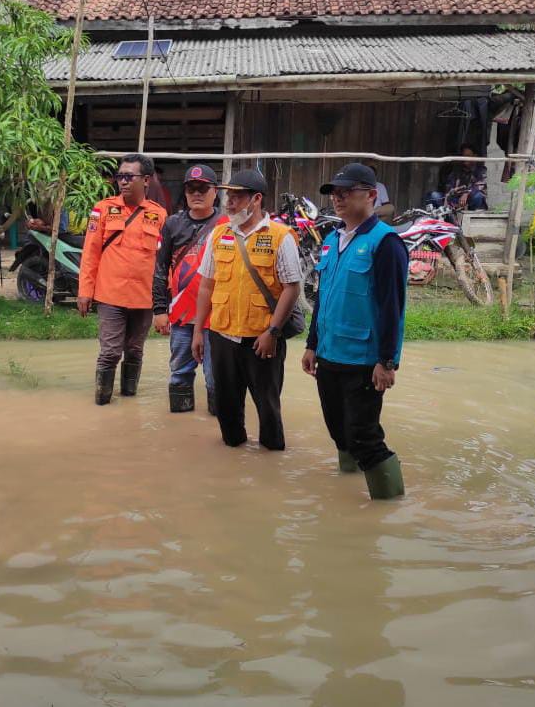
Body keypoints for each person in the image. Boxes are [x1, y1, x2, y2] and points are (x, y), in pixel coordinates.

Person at [302, 163, 409, 500]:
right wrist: (311, 344)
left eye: (347, 192)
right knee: (338, 430)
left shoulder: (386, 243)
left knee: (364, 435)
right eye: (335, 193)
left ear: (372, 196)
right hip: (329, 354)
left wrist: (387, 361)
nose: (339, 198)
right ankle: (347, 487)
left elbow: (392, 307)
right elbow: (323, 296)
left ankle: (388, 502)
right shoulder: (332, 240)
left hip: (363, 360)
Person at [191, 168, 302, 451]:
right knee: (226, 406)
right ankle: (233, 451)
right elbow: (206, 286)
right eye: (229, 197)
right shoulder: (218, 234)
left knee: (268, 406)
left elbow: (292, 288)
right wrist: (197, 332)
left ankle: (272, 456)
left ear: (256, 200)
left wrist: (273, 333)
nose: (229, 203)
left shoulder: (280, 236)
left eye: (237, 198)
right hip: (222, 335)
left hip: (261, 339)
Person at [78, 153, 167, 405]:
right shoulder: (103, 209)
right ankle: (102, 401)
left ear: (146, 180)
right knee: (109, 353)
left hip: (144, 296)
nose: (123, 181)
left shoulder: (159, 215)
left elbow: (164, 262)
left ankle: (129, 401)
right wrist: (85, 290)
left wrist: (164, 302)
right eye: (120, 176)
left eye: (129, 176)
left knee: (135, 351)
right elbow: (91, 252)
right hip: (110, 294)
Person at [152, 164, 228, 414]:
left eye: (203, 188)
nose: (197, 193)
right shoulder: (172, 224)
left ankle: (218, 431)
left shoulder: (226, 224)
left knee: (216, 378)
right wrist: (159, 309)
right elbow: (160, 268)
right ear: (185, 193)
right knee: (180, 374)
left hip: (217, 318)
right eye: (191, 189)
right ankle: (182, 430)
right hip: (182, 317)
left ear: (214, 191)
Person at [443, 144, 488, 210]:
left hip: (471, 201)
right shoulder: (457, 170)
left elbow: (480, 186)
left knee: (478, 196)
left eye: (468, 156)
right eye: (463, 156)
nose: (464, 159)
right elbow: (449, 187)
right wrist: (453, 191)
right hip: (457, 200)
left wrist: (467, 193)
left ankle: (471, 213)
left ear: (475, 156)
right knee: (434, 195)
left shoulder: (480, 170)